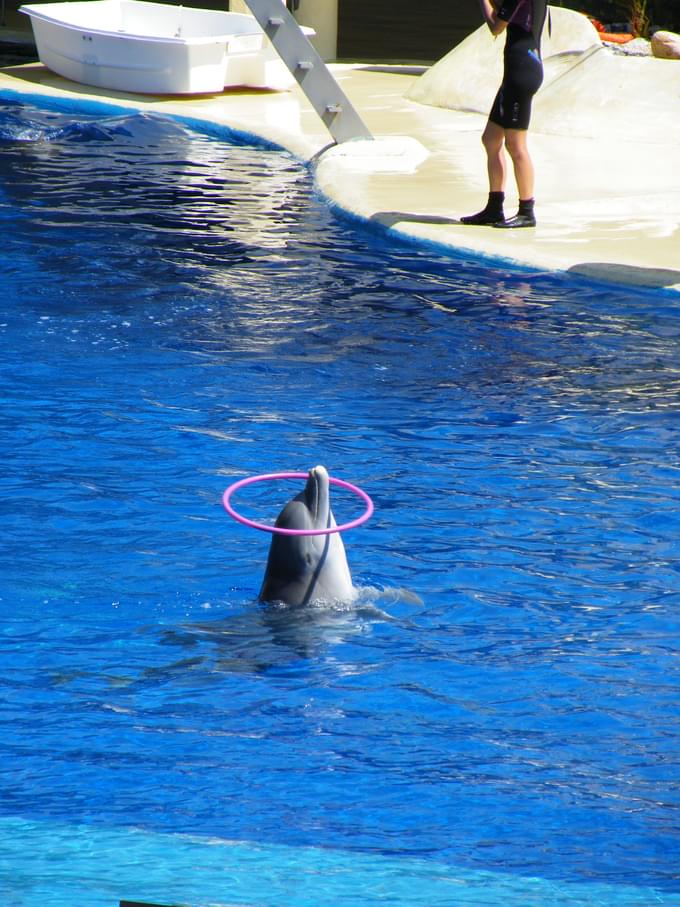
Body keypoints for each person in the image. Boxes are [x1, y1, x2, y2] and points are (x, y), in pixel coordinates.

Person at [461, 0, 548, 228]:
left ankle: (526, 212)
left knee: (515, 145)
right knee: (490, 139)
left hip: (521, 73)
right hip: (519, 69)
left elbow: (496, 26)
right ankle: (494, 208)